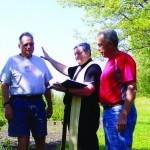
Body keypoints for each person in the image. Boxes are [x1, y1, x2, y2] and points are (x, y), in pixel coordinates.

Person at [41, 43, 102, 150]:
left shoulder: (93, 68)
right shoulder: (78, 69)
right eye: (75, 54)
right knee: (76, 143)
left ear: (88, 52)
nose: (76, 56)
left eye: (79, 53)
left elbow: (88, 91)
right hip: (75, 113)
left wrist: (65, 89)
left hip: (87, 114)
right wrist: (49, 59)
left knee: (87, 144)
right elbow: (63, 68)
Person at [0, 32, 53, 150]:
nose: (29, 47)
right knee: (23, 139)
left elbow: (47, 85)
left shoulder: (40, 62)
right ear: (19, 45)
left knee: (41, 138)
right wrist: (7, 104)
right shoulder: (12, 61)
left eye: (31, 44)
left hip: (38, 102)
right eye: (25, 44)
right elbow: (4, 85)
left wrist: (50, 104)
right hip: (19, 103)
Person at [97, 29, 137, 150]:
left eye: (100, 45)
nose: (98, 48)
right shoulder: (109, 62)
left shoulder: (124, 59)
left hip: (118, 111)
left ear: (110, 44)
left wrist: (123, 115)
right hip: (109, 112)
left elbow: (131, 88)